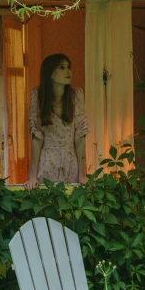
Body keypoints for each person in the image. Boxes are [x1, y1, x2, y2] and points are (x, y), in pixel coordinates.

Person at [25, 54, 89, 190]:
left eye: (69, 67)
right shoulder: (38, 95)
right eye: (62, 67)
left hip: (70, 162)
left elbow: (80, 136)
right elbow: (37, 137)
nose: (68, 71)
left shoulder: (76, 95)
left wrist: (82, 174)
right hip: (47, 162)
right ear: (50, 73)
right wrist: (32, 175)